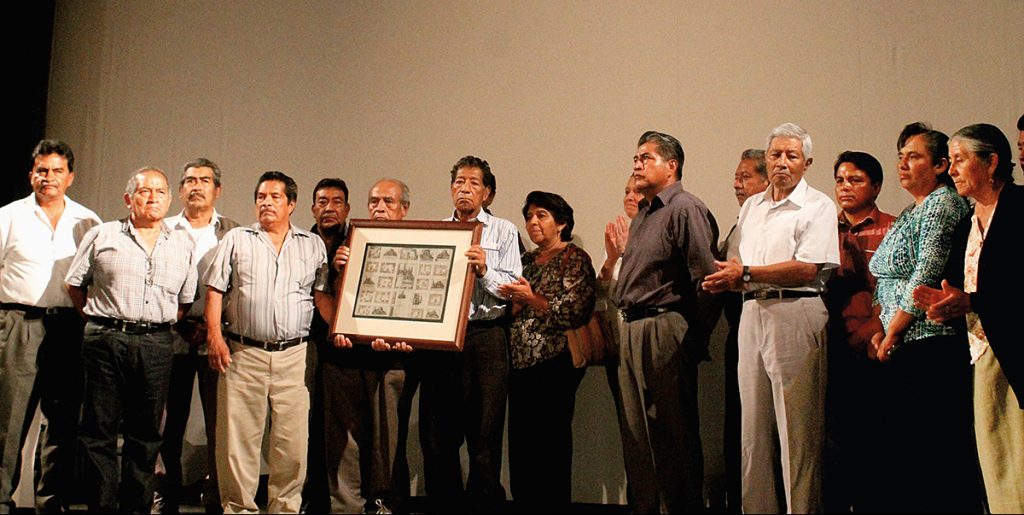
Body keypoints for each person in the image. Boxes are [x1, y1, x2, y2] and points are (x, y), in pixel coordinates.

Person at [702, 123, 840, 513]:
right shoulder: (753, 206)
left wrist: (744, 275)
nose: (782, 162)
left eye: (791, 156)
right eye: (775, 155)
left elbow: (808, 269)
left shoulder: (818, 206)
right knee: (753, 434)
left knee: (797, 433)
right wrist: (725, 279)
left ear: (806, 163)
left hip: (796, 310)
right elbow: (741, 264)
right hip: (752, 313)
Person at [64, 167, 198, 513]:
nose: (153, 198)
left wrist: (152, 326)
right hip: (105, 339)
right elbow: (74, 284)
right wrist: (97, 320)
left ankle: (136, 508)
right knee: (99, 432)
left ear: (170, 199)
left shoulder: (183, 242)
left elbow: (184, 302)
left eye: (160, 192)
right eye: (144, 191)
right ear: (128, 199)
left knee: (146, 434)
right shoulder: (103, 234)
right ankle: (100, 507)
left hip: (156, 344)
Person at [866, 122, 979, 513]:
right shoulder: (912, 210)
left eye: (914, 156)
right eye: (900, 157)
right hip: (905, 343)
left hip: (929, 340)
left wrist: (893, 331)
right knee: (908, 451)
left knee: (936, 450)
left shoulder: (941, 203)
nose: (903, 164)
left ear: (941, 165)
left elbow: (925, 273)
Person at [204, 171, 330, 514]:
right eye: (261, 196)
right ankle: (238, 509)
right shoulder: (237, 239)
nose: (266, 202)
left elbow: (321, 298)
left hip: (294, 355)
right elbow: (215, 289)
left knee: (291, 444)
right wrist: (214, 336)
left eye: (275, 197)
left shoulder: (312, 244)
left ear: (291, 204)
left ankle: (285, 509)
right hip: (243, 352)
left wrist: (346, 326)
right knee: (237, 443)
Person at [913, 123, 1023, 513]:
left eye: (961, 160)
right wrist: (945, 306)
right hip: (978, 351)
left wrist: (972, 300)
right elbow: (962, 289)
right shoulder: (964, 224)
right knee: (994, 455)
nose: (953, 169)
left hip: (1014, 348)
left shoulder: (1020, 209)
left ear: (991, 162)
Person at [614, 131, 719, 513]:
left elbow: (707, 282)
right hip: (632, 327)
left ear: (671, 166)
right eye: (635, 157)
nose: (637, 164)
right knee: (638, 436)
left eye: (646, 158)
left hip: (664, 327)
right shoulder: (644, 213)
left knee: (673, 435)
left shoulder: (685, 208)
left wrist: (691, 339)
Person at [0, 140, 100, 514]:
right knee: (9, 422)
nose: (49, 178)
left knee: (62, 423)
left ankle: (51, 503)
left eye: (57, 171)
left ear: (70, 177)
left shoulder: (88, 221)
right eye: (42, 170)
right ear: (31, 174)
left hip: (68, 329)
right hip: (18, 323)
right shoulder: (9, 216)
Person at [418, 156, 521, 512]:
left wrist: (486, 270)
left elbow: (512, 289)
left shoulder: (504, 231)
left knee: (485, 433)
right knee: (437, 434)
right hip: (444, 339)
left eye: (474, 183)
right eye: (459, 182)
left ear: (488, 193)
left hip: (487, 336)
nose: (465, 188)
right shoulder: (436, 230)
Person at [320, 178, 415, 514]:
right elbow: (325, 295)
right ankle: (346, 503)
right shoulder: (346, 244)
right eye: (374, 201)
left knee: (385, 436)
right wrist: (337, 270)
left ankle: (383, 500)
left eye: (388, 202)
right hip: (346, 353)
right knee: (343, 437)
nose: (379, 208)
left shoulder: (421, 247)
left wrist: (407, 337)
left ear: (404, 209)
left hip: (392, 358)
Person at [498, 191, 595, 512]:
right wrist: (511, 304)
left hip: (556, 364)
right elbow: (507, 310)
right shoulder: (523, 260)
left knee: (550, 446)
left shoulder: (574, 258)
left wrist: (531, 298)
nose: (533, 222)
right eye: (529, 217)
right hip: (519, 365)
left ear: (562, 222)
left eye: (541, 215)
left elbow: (575, 311)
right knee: (522, 448)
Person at [153, 158, 238, 514]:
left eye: (205, 180)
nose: (197, 186)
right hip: (170, 335)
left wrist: (211, 326)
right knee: (166, 423)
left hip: (215, 338)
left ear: (217, 189)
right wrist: (181, 321)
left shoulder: (233, 231)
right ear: (180, 190)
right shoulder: (161, 228)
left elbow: (239, 286)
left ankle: (215, 496)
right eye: (189, 180)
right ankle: (162, 494)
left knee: (220, 424)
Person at [821, 151, 894, 513]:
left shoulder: (893, 227)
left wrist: (870, 333)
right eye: (840, 180)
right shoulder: (820, 229)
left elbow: (894, 293)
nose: (845, 187)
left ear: (876, 186)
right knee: (832, 446)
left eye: (855, 180)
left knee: (875, 443)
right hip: (828, 347)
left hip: (876, 348)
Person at [715, 148, 768, 513]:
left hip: (765, 322)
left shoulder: (770, 219)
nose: (736, 183)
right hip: (737, 327)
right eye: (736, 176)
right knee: (738, 421)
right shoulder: (738, 221)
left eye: (745, 176)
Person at [304, 178, 351, 514]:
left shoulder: (357, 242)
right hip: (303, 343)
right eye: (322, 202)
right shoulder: (299, 242)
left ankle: (336, 499)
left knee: (337, 427)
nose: (329, 208)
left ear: (347, 209)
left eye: (336, 202)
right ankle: (308, 497)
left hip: (344, 347)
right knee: (303, 423)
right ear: (312, 208)